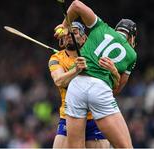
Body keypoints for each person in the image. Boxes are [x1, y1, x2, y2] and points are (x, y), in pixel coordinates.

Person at [54, 0, 137, 148]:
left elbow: (76, 5)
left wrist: (65, 26)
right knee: (125, 147)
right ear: (132, 38)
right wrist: (114, 73)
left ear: (115, 29)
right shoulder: (132, 55)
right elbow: (116, 90)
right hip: (100, 89)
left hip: (76, 86)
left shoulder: (102, 27)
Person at [48, 21, 110, 148]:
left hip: (94, 117)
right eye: (66, 33)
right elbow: (59, 80)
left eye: (74, 32)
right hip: (68, 117)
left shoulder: (95, 56)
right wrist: (76, 70)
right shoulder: (56, 58)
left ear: (84, 37)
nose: (69, 35)